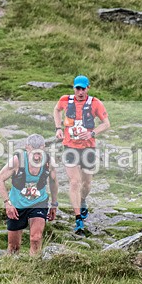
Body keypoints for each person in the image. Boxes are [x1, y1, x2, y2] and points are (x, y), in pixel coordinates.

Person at [53, 75, 110, 235]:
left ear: (88, 88)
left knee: (86, 184)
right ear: (74, 88)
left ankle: (83, 200)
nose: (80, 92)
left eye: (83, 88)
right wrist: (58, 128)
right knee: (74, 182)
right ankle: (78, 219)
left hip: (88, 149)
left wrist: (92, 133)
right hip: (70, 147)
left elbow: (106, 124)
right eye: (77, 88)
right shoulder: (65, 100)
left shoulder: (95, 103)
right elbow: (56, 110)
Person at [0, 134, 59, 256]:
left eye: (39, 153)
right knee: (14, 247)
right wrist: (7, 203)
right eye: (33, 153)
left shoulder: (48, 161)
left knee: (36, 238)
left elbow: (53, 181)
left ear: (43, 147)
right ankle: (11, 265)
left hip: (38, 202)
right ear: (27, 148)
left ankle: (34, 264)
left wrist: (54, 204)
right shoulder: (17, 160)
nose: (36, 157)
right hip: (17, 204)